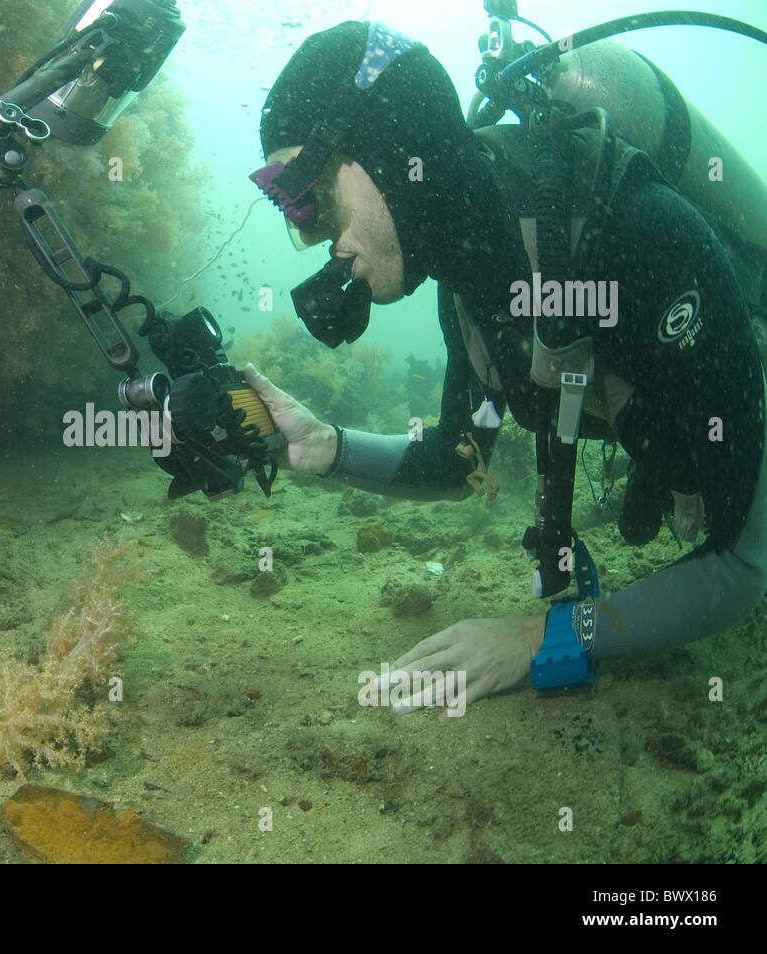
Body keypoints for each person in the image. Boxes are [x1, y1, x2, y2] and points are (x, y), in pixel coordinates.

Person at [242, 20, 767, 709]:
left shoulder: (638, 231)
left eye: (306, 194)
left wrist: (545, 636)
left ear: (391, 151)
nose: (309, 234)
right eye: (290, 209)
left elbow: (743, 562)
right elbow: (462, 460)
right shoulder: (470, 286)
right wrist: (324, 447)